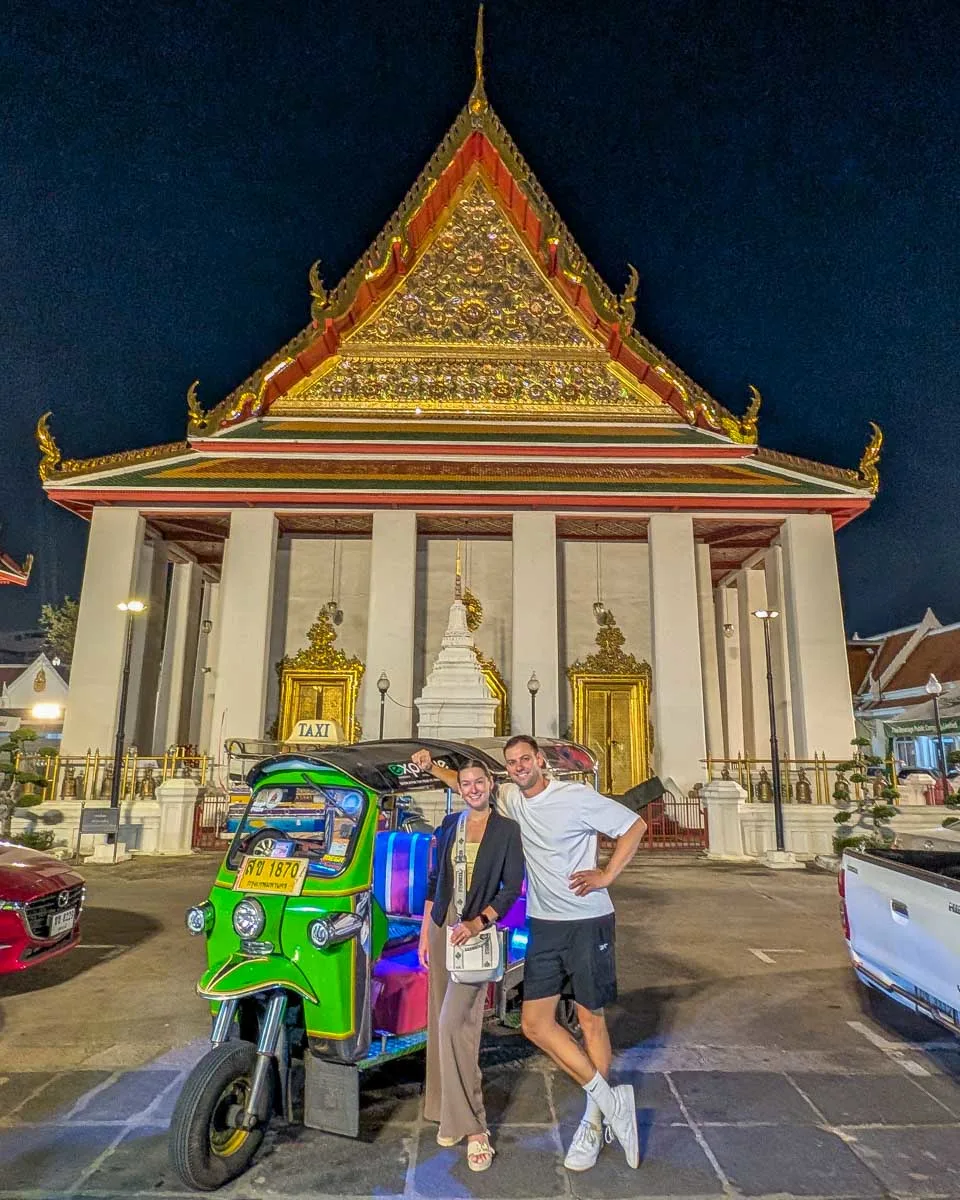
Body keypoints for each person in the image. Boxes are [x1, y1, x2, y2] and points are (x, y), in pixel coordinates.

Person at [413, 736, 647, 1172]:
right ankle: (613, 1100)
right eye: (512, 763)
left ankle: (595, 1122)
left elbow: (634, 825)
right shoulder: (510, 800)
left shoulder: (576, 797)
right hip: (544, 924)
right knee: (536, 1024)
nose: (519, 767)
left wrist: (607, 873)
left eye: (525, 759)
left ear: (541, 761)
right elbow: (469, 784)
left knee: (591, 1019)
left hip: (586, 921)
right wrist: (432, 769)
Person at [417, 757, 524, 1172]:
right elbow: (434, 883)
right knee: (442, 1023)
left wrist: (479, 922)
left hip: (476, 937)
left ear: (491, 784)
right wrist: (429, 932)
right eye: (466, 783)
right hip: (445, 930)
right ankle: (447, 1113)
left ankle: (476, 1127)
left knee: (455, 1024)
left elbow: (511, 888)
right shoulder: (448, 827)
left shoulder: (505, 830)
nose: (473, 788)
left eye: (480, 781)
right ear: (458, 787)